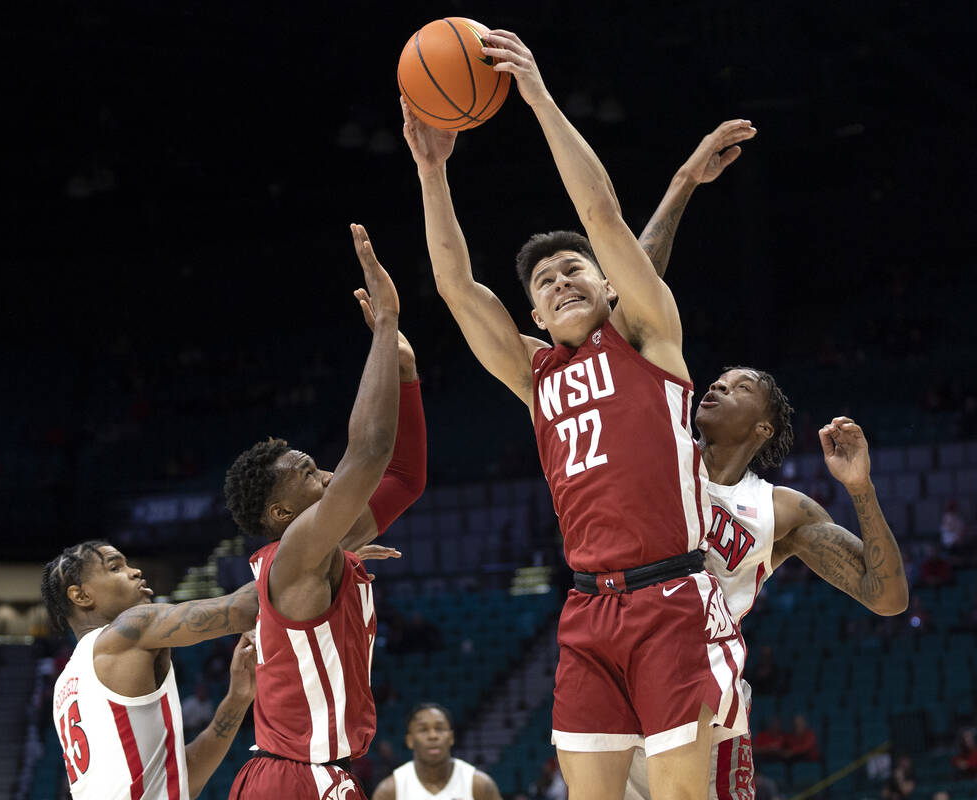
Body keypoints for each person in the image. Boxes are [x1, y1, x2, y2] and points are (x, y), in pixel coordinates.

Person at [402, 32, 746, 800]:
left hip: (672, 599)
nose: (560, 281)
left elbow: (600, 210)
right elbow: (458, 287)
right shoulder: (535, 373)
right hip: (589, 608)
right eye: (546, 280)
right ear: (534, 310)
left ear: (609, 285)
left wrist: (537, 97)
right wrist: (432, 172)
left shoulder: (649, 336)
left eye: (574, 269)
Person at [625, 122, 907, 800]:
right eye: (715, 378)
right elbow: (629, 303)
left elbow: (887, 598)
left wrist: (860, 489)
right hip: (621, 684)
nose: (715, 384)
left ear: (763, 425)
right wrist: (683, 182)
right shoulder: (662, 446)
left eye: (737, 385)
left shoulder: (780, 511)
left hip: (706, 701)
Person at [225, 225, 426, 800]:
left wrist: (406, 376)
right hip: (294, 776)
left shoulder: (318, 549)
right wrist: (385, 326)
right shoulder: (297, 554)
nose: (332, 476)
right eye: (312, 473)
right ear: (281, 511)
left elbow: (405, 480)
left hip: (310, 774)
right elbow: (368, 453)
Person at [42, 539, 259, 800]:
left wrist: (237, 699)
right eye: (115, 568)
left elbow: (180, 781)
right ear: (81, 595)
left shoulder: (64, 686)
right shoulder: (127, 630)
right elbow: (242, 608)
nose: (135, 571)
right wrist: (300, 550)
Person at [371, 703, 501, 800]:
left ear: (451, 737)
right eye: (423, 729)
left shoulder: (479, 785)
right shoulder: (389, 791)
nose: (433, 736)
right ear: (410, 740)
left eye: (439, 728)